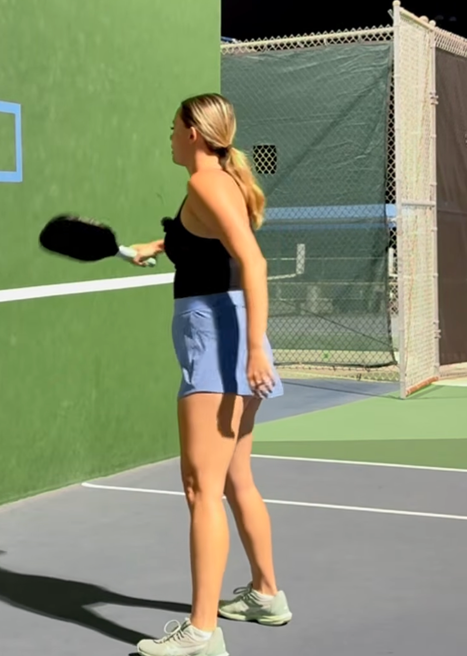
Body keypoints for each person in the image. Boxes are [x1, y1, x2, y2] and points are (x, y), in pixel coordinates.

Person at [126, 93, 292, 656]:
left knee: (201, 488)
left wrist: (254, 351)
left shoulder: (206, 183)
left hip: (219, 338)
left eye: (174, 127)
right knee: (236, 477)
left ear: (193, 133)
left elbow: (253, 260)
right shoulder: (217, 180)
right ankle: (266, 594)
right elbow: (211, 243)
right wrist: (160, 243)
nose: (170, 136)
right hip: (228, 330)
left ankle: (200, 632)